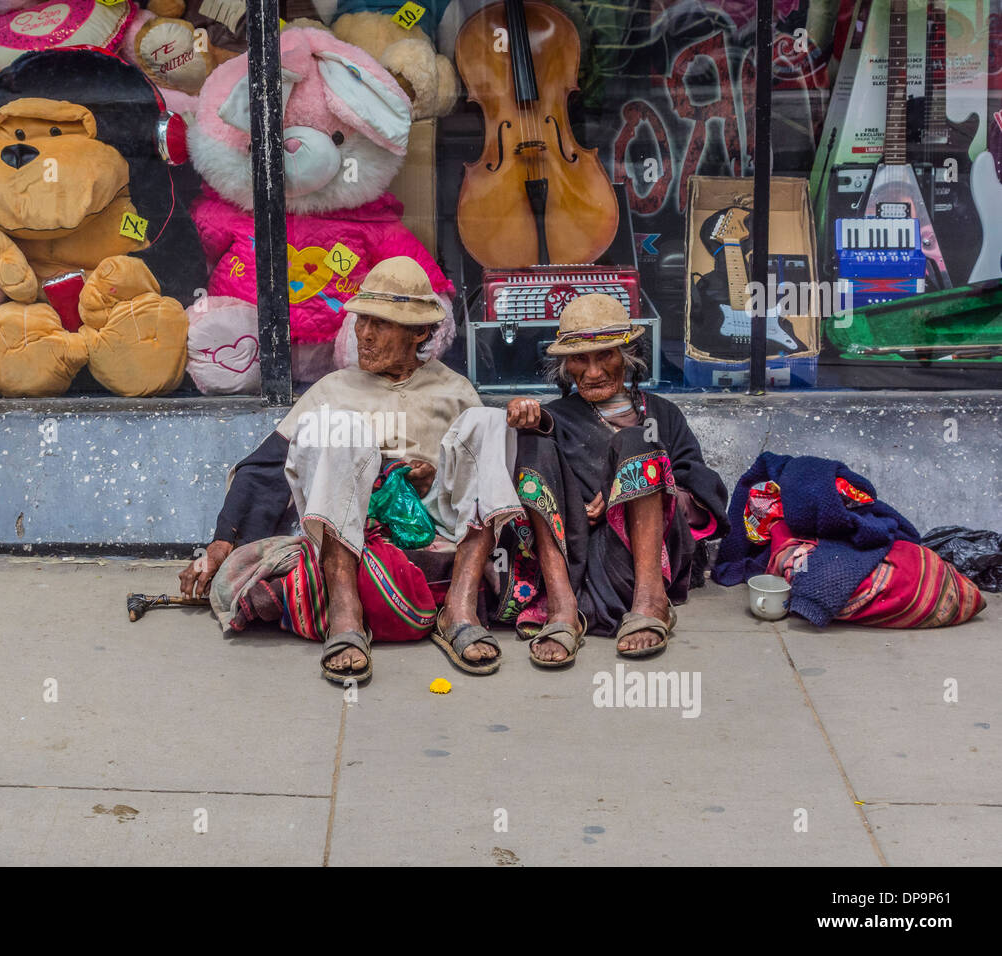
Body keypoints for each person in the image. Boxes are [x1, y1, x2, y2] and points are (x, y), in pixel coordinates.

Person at [181, 257, 523, 683]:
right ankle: (345, 610)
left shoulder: (453, 389)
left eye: (380, 324)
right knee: (338, 426)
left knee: (489, 422)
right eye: (361, 321)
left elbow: (474, 475)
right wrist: (220, 543)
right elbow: (269, 466)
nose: (363, 334)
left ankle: (461, 603)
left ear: (420, 332)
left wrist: (433, 474)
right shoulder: (333, 388)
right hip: (352, 525)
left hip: (436, 522)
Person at [500, 294, 729, 664]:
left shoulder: (661, 414)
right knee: (532, 440)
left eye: (605, 355)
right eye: (580, 359)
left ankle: (652, 603)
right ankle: (561, 610)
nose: (593, 372)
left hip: (642, 564)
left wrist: (628, 491)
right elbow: (538, 461)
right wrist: (525, 415)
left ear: (627, 355)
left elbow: (701, 492)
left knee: (639, 442)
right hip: (576, 565)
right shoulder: (554, 418)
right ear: (565, 365)